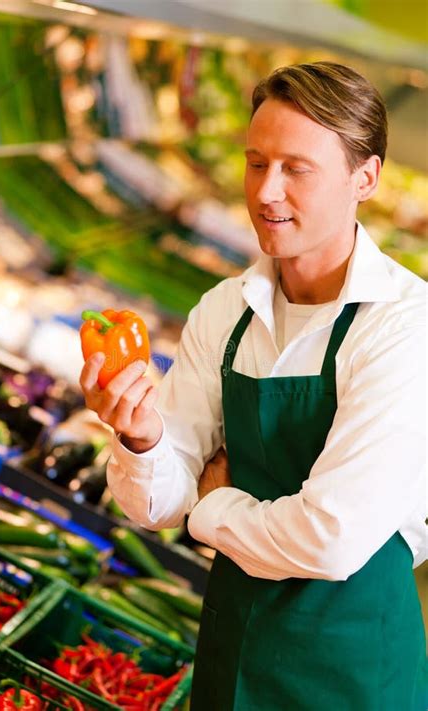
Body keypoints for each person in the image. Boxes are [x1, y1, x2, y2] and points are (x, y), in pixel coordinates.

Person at [80, 61, 427, 710]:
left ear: (365, 178)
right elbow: (154, 505)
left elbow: (330, 534)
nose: (266, 192)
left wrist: (211, 507)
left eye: (297, 168)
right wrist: (140, 434)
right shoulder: (224, 311)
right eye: (255, 161)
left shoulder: (403, 326)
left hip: (351, 668)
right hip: (233, 645)